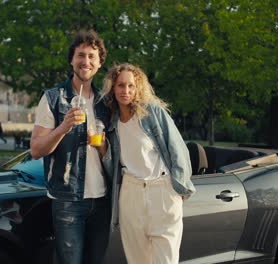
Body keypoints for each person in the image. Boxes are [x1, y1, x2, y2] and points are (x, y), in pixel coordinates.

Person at [29, 29, 111, 264]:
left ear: (99, 63)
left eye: (91, 56)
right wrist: (63, 127)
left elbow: (112, 154)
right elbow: (36, 150)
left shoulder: (106, 102)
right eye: (81, 55)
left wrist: (102, 146)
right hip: (67, 201)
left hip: (102, 199)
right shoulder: (53, 98)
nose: (86, 61)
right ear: (71, 60)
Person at [101, 63, 195, 264]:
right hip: (130, 193)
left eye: (131, 86)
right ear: (112, 88)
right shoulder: (112, 122)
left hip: (162, 191)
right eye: (120, 85)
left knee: (166, 260)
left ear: (138, 88)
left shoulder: (152, 113)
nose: (125, 91)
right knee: (137, 260)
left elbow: (178, 150)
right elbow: (113, 166)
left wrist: (178, 189)